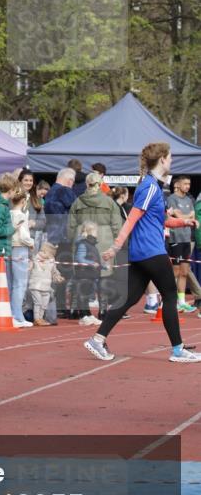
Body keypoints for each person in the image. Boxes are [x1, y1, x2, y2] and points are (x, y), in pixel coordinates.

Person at [84, 141, 201, 364]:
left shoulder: (153, 186)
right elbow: (132, 218)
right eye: (171, 157)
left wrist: (184, 222)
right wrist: (116, 246)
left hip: (142, 253)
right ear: (162, 159)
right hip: (151, 251)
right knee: (170, 296)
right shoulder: (149, 187)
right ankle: (178, 350)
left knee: (130, 298)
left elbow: (161, 219)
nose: (172, 160)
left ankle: (98, 339)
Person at [67, 171, 122, 319]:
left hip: (82, 237)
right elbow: (117, 226)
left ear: (87, 184)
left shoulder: (77, 202)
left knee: (82, 276)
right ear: (100, 184)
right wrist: (117, 244)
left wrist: (73, 241)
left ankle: (80, 310)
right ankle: (103, 310)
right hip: (104, 239)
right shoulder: (109, 202)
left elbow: (71, 227)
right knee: (104, 275)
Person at [45, 167, 77, 317]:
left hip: (52, 237)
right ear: (70, 181)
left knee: (53, 272)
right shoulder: (64, 191)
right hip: (64, 238)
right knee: (64, 273)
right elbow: (76, 209)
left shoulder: (50, 192)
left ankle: (56, 305)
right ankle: (61, 306)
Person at [166, 176, 197, 314]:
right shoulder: (171, 199)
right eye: (185, 184)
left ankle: (182, 302)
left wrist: (188, 216)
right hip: (175, 239)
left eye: (189, 184)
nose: (188, 186)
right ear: (177, 184)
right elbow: (178, 217)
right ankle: (170, 301)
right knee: (175, 271)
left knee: (184, 272)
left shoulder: (189, 199)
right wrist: (187, 216)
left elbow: (193, 217)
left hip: (186, 239)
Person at [10, 188, 34, 327]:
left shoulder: (10, 213)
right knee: (20, 284)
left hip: (12, 248)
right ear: (23, 201)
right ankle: (17, 315)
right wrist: (31, 243)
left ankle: (14, 313)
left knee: (13, 283)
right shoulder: (21, 215)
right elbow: (24, 235)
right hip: (20, 248)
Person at [73, 221, 103, 326]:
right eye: (95, 231)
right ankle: (83, 316)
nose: (97, 233)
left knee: (86, 296)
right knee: (82, 295)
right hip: (83, 274)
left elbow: (94, 259)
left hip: (90, 274)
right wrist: (91, 264)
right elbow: (80, 258)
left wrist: (103, 266)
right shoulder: (82, 244)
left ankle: (88, 314)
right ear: (90, 232)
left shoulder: (92, 244)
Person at [28, 243, 64, 327]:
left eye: (52, 254)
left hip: (46, 287)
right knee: (38, 303)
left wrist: (58, 277)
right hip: (35, 286)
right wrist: (29, 265)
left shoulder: (51, 261)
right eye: (51, 253)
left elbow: (54, 271)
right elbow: (29, 266)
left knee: (44, 304)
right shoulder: (35, 258)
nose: (52, 255)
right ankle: (37, 319)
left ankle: (40, 318)